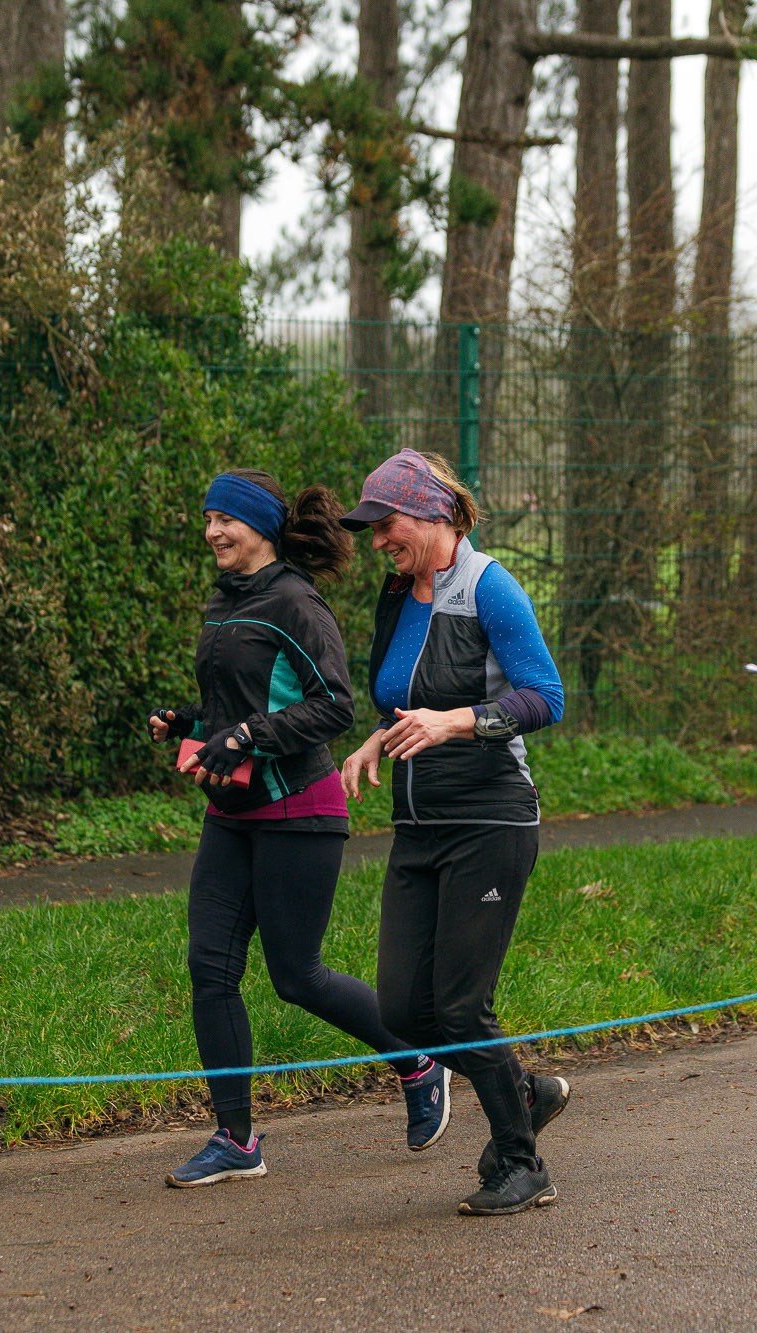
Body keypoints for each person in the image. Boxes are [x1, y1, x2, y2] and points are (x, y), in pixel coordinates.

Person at [150, 468, 451, 1188]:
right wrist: (192, 725)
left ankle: (417, 1062)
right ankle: (236, 1138)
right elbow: (241, 701)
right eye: (208, 517)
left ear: (259, 526)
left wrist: (247, 733)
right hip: (233, 814)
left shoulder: (296, 601)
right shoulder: (225, 602)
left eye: (227, 518)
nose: (214, 531)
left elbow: (334, 705)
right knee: (210, 969)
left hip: (300, 813)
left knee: (297, 977)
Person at [337, 448, 571, 1217]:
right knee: (405, 1012)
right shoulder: (397, 593)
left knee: (462, 1006)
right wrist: (380, 735)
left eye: (387, 523)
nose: (378, 539)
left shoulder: (491, 588)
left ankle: (520, 1162)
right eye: (372, 528)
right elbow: (399, 695)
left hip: (490, 821)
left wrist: (459, 721)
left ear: (434, 514)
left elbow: (546, 697)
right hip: (418, 828)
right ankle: (523, 1090)